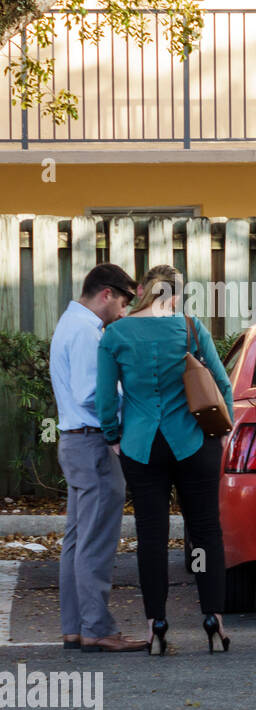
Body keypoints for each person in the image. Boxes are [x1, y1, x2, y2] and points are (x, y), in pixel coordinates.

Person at [97, 265, 234, 656]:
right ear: (176, 294)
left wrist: (113, 436)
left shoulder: (115, 334)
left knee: (152, 537)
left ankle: (155, 624)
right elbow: (221, 384)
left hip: (141, 447)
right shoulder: (190, 328)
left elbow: (106, 397)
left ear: (141, 290)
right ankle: (213, 619)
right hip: (193, 442)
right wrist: (225, 430)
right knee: (205, 533)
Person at [51, 264, 149, 653]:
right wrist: (131, 412)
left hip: (75, 441)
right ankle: (97, 628)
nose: (124, 312)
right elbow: (93, 394)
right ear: (106, 294)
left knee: (77, 540)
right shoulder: (88, 333)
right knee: (95, 542)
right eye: (124, 302)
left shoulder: (70, 323)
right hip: (93, 443)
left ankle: (76, 627)